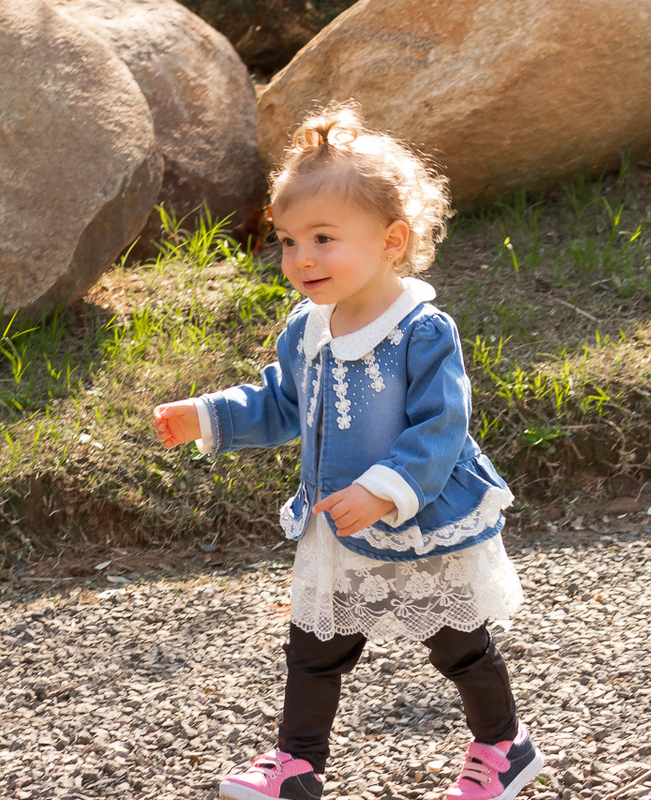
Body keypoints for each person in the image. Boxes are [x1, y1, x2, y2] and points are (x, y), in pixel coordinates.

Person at [151, 102, 543, 800]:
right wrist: (207, 417)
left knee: (459, 645)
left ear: (391, 242)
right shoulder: (307, 329)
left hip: (420, 521)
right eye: (288, 240)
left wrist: (387, 487)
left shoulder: (421, 331)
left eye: (324, 238)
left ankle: (503, 747)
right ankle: (297, 766)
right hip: (337, 522)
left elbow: (440, 427)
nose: (301, 258)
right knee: (313, 648)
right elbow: (282, 405)